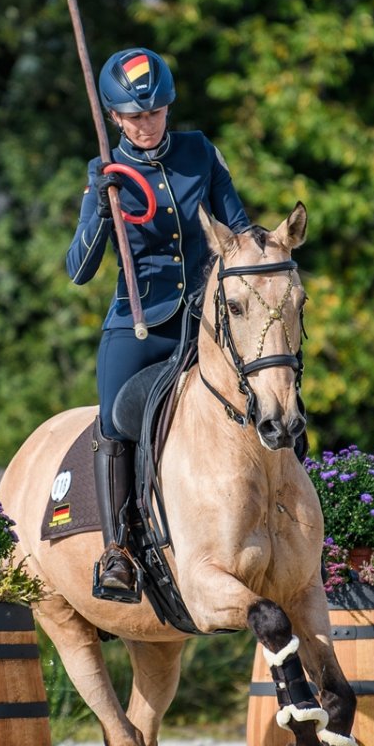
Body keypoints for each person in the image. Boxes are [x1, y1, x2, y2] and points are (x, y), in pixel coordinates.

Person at [67, 47, 252, 599]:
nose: (146, 126)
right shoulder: (104, 173)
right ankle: (116, 550)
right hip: (138, 323)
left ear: (168, 109)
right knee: (112, 421)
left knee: (269, 386)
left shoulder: (200, 152)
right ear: (114, 119)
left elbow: (239, 231)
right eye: (134, 117)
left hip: (207, 322)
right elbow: (78, 270)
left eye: (154, 113)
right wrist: (101, 214)